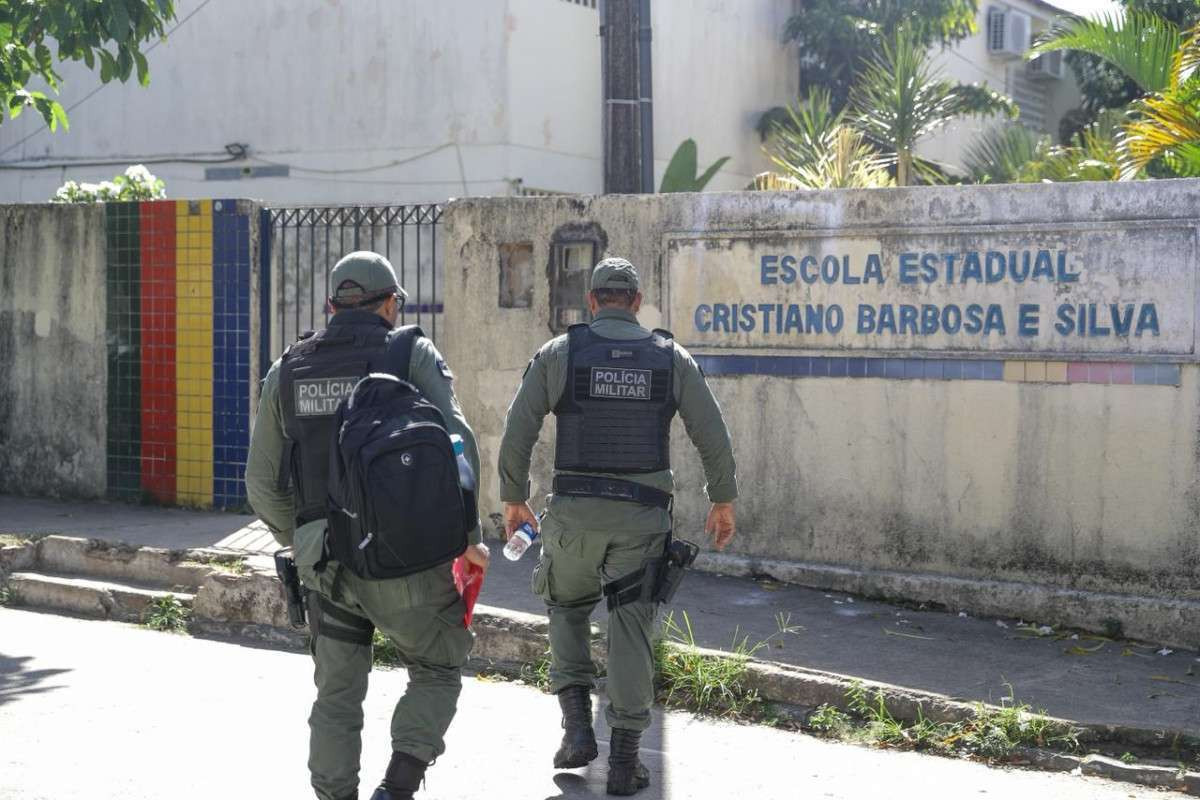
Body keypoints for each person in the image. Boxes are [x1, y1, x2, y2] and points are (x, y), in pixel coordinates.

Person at [245, 251, 490, 800]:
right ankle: (397, 787)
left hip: (326, 566)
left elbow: (261, 484)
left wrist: (304, 540)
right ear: (391, 305)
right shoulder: (408, 351)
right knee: (437, 667)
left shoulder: (290, 368)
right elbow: (459, 444)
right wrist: (469, 540)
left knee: (336, 693)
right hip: (406, 560)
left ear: (330, 306)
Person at [497, 256, 738, 796]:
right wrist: (721, 498)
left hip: (574, 519)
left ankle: (578, 729)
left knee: (566, 608)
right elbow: (712, 431)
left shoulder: (561, 354)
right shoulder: (668, 357)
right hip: (640, 521)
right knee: (631, 627)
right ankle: (625, 762)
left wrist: (514, 497)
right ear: (635, 302)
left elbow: (519, 427)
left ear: (592, 302)